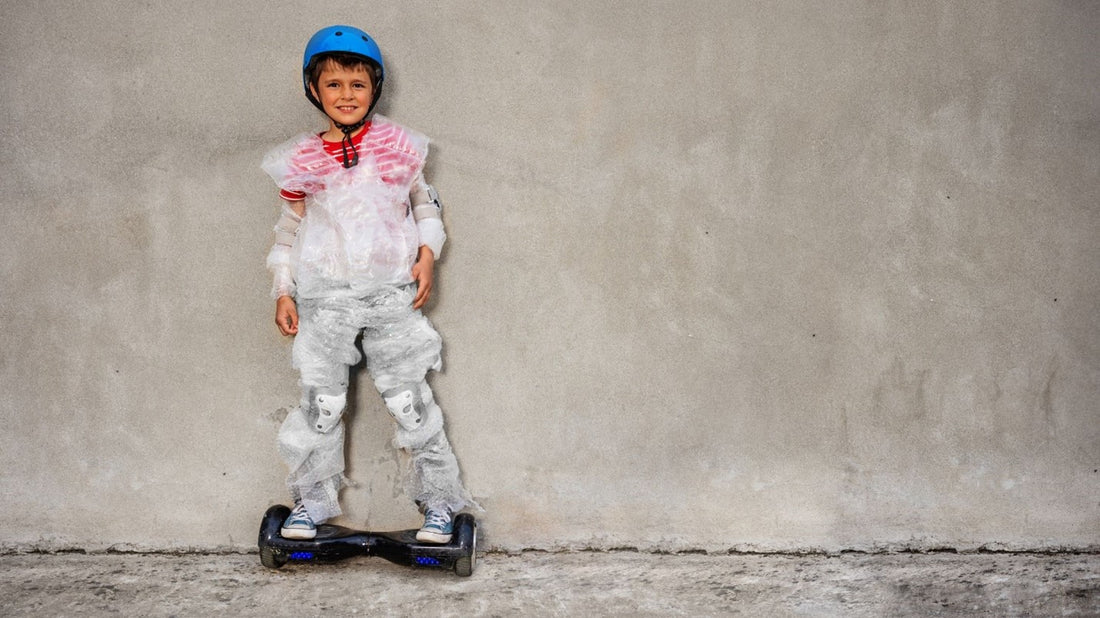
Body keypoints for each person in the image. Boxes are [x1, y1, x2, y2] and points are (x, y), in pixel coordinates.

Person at [261, 25, 473, 544]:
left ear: (374, 87)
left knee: (408, 399)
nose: (346, 95)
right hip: (324, 295)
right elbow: (289, 228)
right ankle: (311, 501)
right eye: (334, 85)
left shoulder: (397, 145)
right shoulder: (303, 159)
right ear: (315, 90)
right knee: (322, 403)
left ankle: (439, 505)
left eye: (357, 84)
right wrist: (282, 289)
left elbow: (425, 205)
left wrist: (427, 255)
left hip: (389, 293)